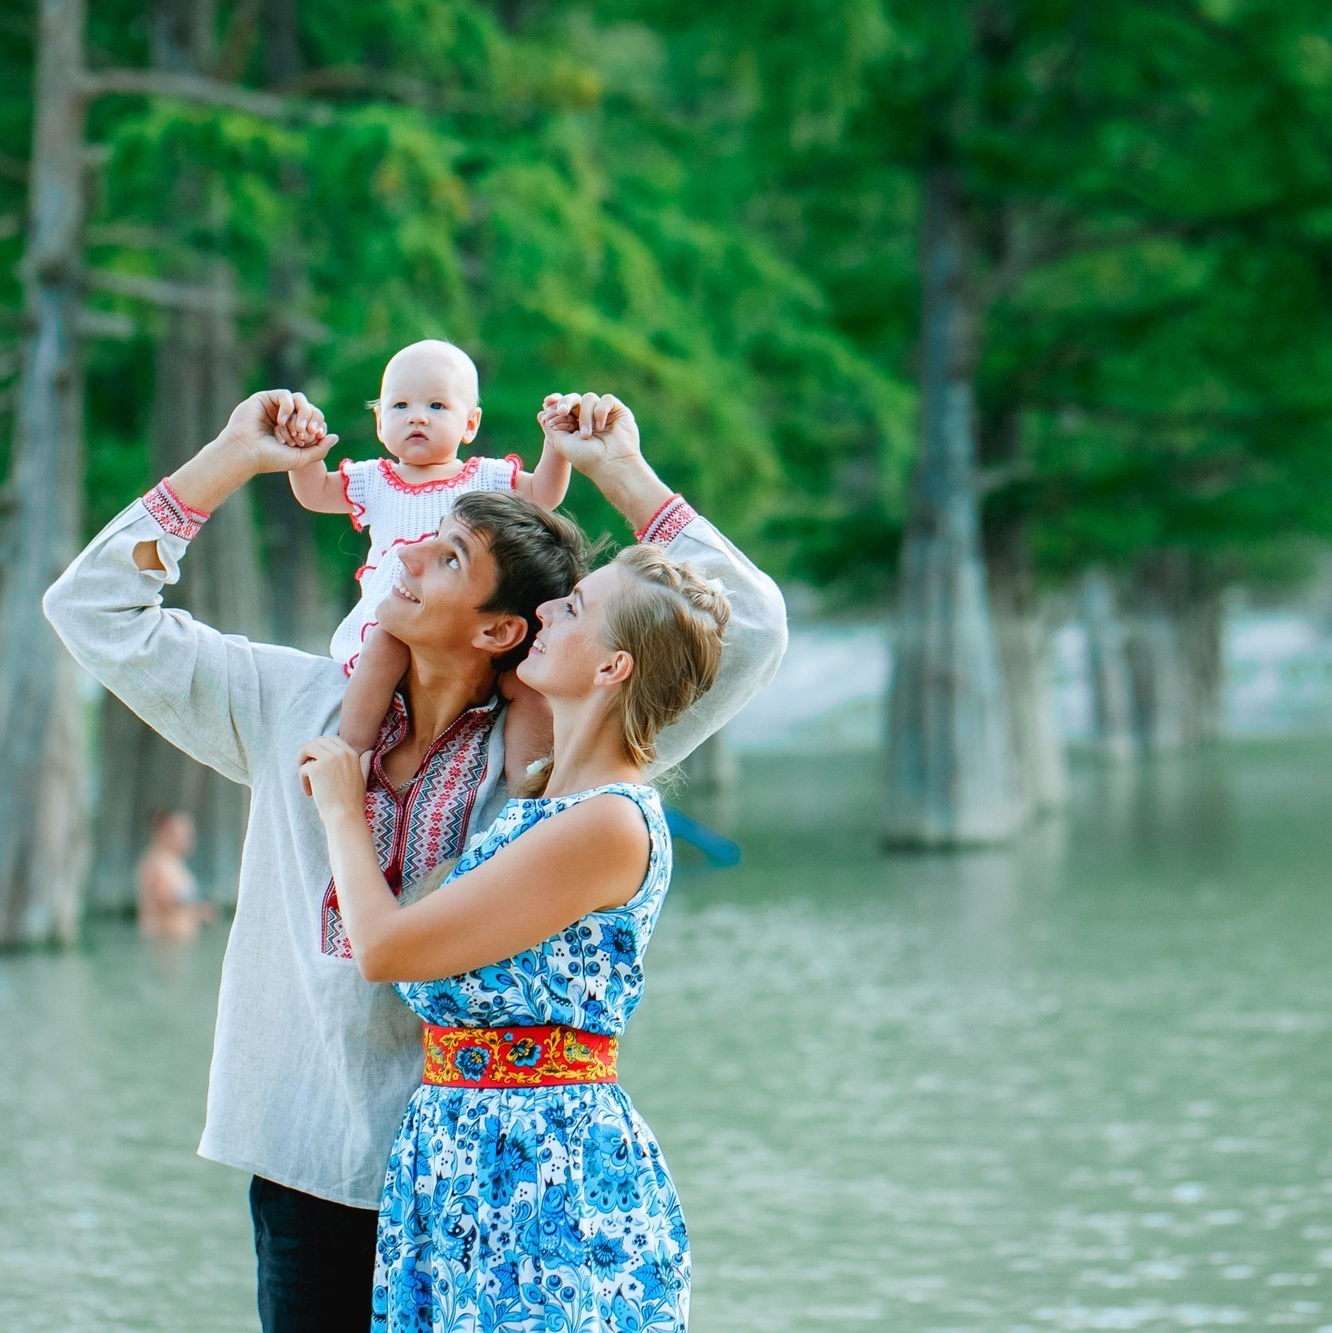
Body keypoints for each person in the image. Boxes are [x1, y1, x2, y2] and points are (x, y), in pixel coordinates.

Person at [43, 386, 787, 1333]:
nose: (399, 551)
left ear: (501, 629)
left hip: (486, 1181)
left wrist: (619, 471)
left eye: (446, 554)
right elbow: (91, 608)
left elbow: (749, 629)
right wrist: (229, 457)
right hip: (304, 1154)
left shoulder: (557, 755)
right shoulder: (290, 707)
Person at [296, 538, 729, 1330]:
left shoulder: (608, 820)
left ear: (612, 667)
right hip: (459, 1163)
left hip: (542, 1177)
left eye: (573, 608)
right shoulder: (540, 794)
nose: (545, 614)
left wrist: (338, 808)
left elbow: (386, 948)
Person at [288, 338, 572, 754]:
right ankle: (351, 750)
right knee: (382, 650)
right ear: (379, 422)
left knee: (525, 684)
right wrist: (305, 455)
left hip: (467, 624)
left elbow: (544, 495)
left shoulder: (486, 477)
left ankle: (528, 781)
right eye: (399, 407)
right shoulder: (375, 480)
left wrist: (556, 446)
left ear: (470, 424)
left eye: (437, 407)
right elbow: (314, 493)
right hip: (402, 612)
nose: (417, 417)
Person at [135, 810, 216, 941]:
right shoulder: (158, 862)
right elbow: (166, 900)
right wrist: (200, 911)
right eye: (184, 834)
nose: (189, 840)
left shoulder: (173, 863)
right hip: (164, 942)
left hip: (176, 943)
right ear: (167, 833)